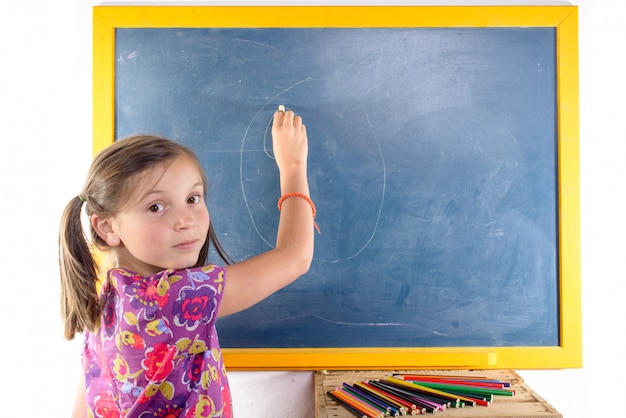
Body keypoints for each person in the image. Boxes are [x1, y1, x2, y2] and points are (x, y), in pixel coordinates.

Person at [59, 108, 315, 418]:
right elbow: (295, 257)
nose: (185, 220)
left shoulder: (107, 298)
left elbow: (86, 397)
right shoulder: (174, 297)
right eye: (156, 207)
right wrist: (293, 165)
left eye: (193, 198)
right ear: (108, 228)